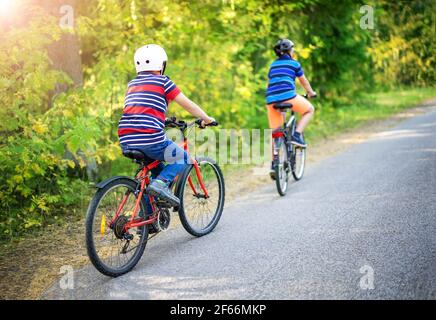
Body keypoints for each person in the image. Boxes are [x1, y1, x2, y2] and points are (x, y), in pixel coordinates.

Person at [118, 44, 215, 208]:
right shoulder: (164, 82)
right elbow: (188, 105)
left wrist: (162, 120)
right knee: (183, 157)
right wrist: (206, 118)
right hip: (150, 139)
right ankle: (161, 184)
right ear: (161, 64)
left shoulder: (132, 84)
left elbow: (139, 111)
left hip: (126, 138)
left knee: (157, 169)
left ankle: (148, 217)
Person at [266, 39, 316, 178]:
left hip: (271, 100)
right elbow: (303, 81)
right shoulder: (294, 64)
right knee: (309, 109)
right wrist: (311, 93)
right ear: (290, 51)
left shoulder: (273, 65)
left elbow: (269, 84)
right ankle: (297, 135)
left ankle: (274, 163)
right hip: (289, 97)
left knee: (275, 132)